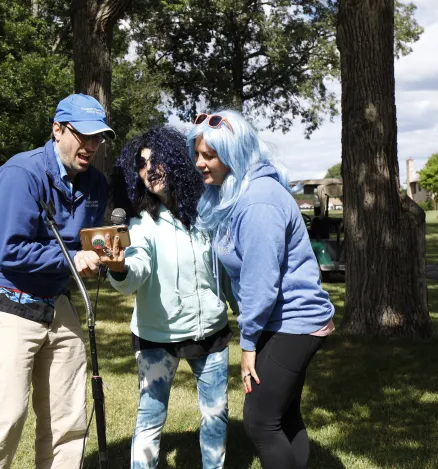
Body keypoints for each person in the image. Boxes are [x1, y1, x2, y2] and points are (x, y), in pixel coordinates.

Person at [0, 93, 113, 469]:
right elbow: (11, 251)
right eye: (84, 136)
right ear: (57, 129)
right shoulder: (22, 174)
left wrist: (106, 254)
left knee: (68, 419)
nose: (92, 146)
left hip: (54, 296)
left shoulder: (95, 184)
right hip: (5, 295)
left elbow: (91, 239)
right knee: (5, 416)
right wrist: (72, 259)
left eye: (98, 138)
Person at [187, 110, 335, 469]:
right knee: (283, 416)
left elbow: (261, 282)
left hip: (293, 321)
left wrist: (248, 344)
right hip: (279, 320)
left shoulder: (259, 201)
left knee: (260, 421)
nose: (199, 163)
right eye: (198, 154)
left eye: (210, 155)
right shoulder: (234, 193)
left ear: (235, 153)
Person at [97, 126, 234, 469]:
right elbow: (136, 269)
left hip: (212, 335)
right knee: (150, 418)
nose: (150, 170)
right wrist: (119, 268)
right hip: (157, 338)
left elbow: (228, 272)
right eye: (141, 165)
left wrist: (248, 319)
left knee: (216, 417)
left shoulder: (208, 212)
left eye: (157, 160)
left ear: (176, 161)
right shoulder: (141, 224)